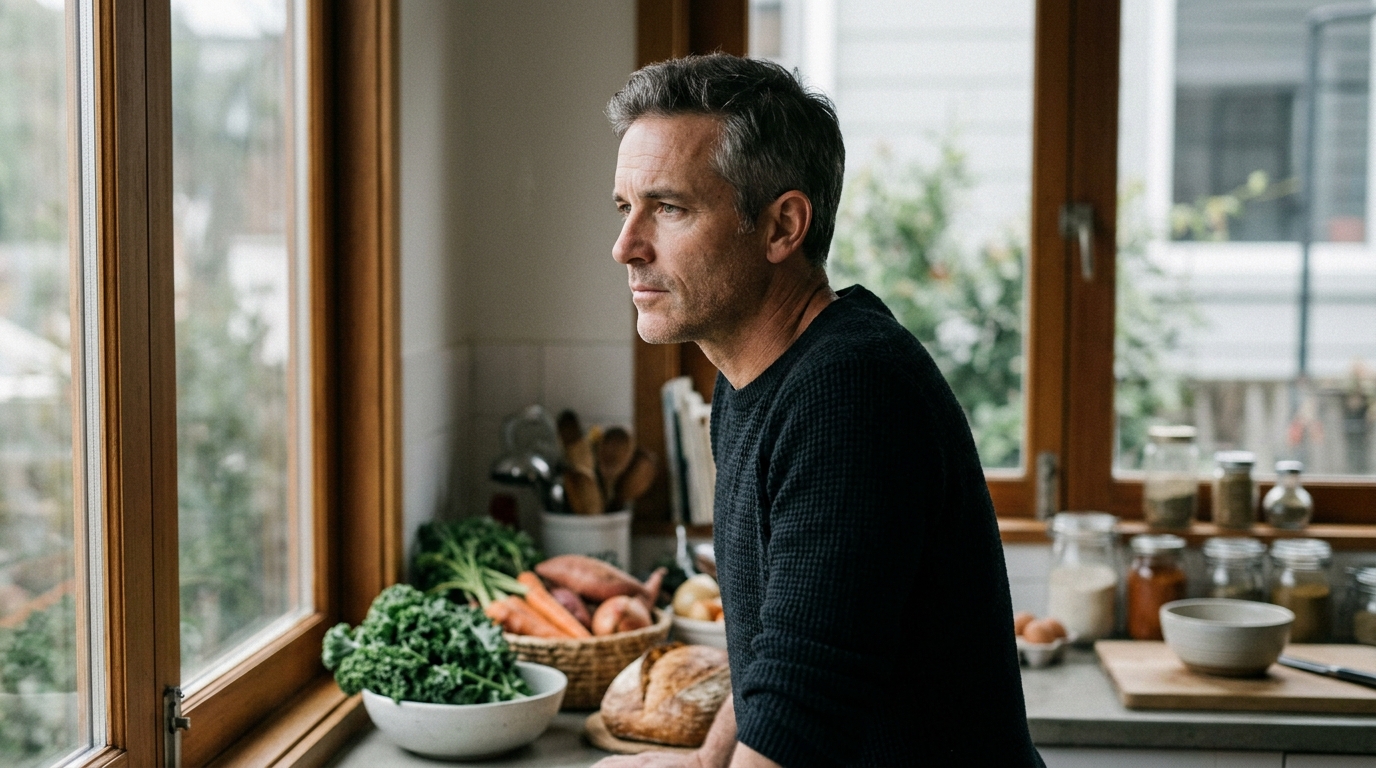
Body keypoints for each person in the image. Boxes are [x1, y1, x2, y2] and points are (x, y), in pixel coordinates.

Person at [597, 54, 1043, 768]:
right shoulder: (755, 378)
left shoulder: (852, 394)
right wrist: (702, 764)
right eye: (626, 208)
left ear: (782, 226)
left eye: (669, 207)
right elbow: (780, 652)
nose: (626, 246)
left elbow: (804, 718)